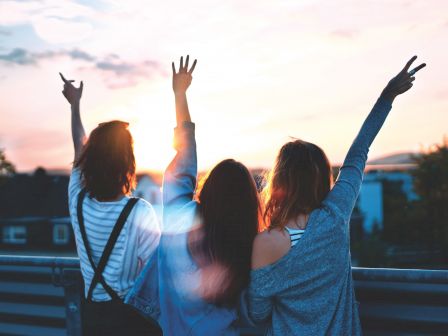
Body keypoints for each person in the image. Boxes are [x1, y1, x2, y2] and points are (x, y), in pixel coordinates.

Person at [247, 56, 426, 335]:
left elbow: (258, 314)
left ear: (279, 180)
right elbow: (358, 153)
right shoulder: (335, 215)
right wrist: (387, 96)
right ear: (320, 178)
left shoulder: (265, 242)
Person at [127, 56, 261, 335]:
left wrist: (179, 94)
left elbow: (185, 157)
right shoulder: (245, 246)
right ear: (247, 204)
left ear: (209, 187)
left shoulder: (180, 218)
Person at [61, 73, 162, 335]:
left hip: (91, 318)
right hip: (130, 319)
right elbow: (155, 273)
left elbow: (79, 149)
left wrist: (74, 106)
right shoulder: (140, 212)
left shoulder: (77, 201)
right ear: (128, 163)